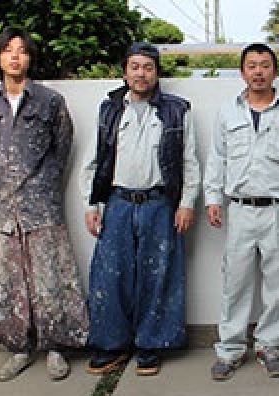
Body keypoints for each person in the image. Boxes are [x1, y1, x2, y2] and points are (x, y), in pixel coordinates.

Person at [0, 27, 88, 382]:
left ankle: (56, 348)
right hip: (2, 206)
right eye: (8, 50)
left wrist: (44, 185)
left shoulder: (50, 102)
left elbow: (62, 147)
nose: (14, 56)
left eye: (21, 50)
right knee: (7, 279)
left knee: (50, 276)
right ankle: (18, 348)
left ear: (29, 58)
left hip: (42, 205)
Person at [80, 42, 200, 376]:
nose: (141, 73)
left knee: (159, 275)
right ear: (125, 72)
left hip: (160, 204)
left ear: (157, 73)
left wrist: (186, 203)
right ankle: (111, 344)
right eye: (134, 67)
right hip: (117, 203)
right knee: (110, 275)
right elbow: (93, 160)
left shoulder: (177, 110)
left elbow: (190, 161)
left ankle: (151, 344)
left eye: (148, 67)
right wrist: (91, 204)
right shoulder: (109, 110)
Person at [204, 43, 279, 381]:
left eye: (265, 65)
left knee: (278, 283)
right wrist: (213, 198)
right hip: (240, 209)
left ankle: (270, 346)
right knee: (235, 283)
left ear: (274, 71)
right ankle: (230, 349)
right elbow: (217, 158)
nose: (258, 72)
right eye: (252, 65)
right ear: (242, 72)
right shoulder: (227, 112)